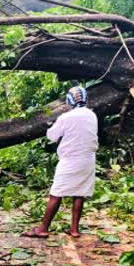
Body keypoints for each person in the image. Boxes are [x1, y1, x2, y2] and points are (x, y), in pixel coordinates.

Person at [23, 86, 98, 239]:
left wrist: (52, 126)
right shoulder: (92, 115)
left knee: (56, 193)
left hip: (70, 159)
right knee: (80, 193)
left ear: (70, 100)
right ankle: (74, 230)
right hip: (88, 159)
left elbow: (52, 136)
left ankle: (42, 228)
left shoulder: (66, 117)